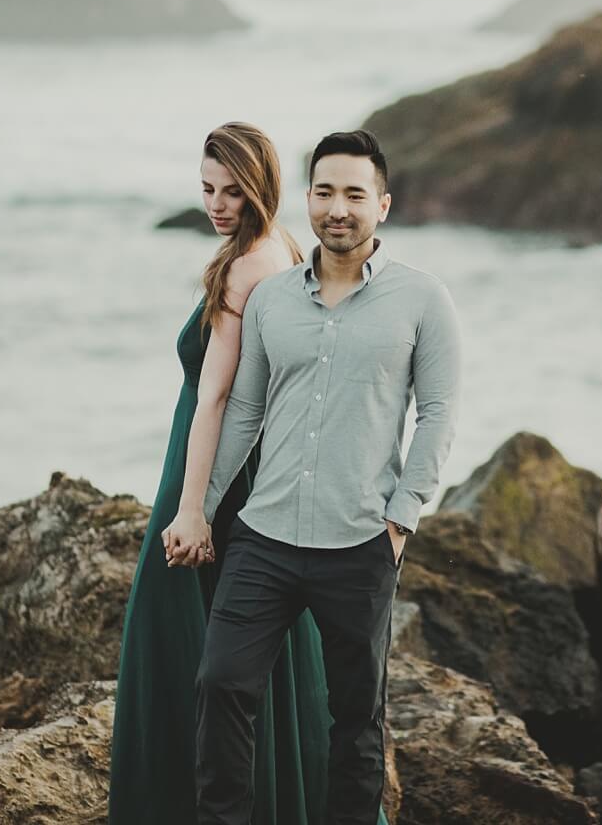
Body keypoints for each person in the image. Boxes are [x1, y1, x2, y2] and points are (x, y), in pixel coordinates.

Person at [171, 129, 463, 825]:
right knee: (222, 685)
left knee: (357, 723)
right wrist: (202, 511)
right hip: (263, 540)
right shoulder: (273, 299)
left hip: (360, 545)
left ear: (382, 205)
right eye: (326, 192)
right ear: (307, 199)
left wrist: (400, 521)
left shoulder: (424, 301)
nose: (339, 208)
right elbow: (241, 415)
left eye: (355, 194)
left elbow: (440, 415)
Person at [108, 121, 375, 825]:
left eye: (231, 190)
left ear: (259, 187)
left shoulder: (243, 267)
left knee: (169, 643)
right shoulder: (287, 249)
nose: (217, 204)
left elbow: (218, 395)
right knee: (269, 659)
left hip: (214, 476)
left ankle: (171, 807)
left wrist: (192, 506)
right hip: (262, 475)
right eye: (206, 189)